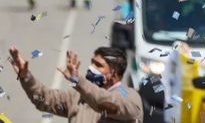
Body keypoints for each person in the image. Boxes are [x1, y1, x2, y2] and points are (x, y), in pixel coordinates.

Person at [8, 46, 143, 122]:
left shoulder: (130, 97)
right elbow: (44, 98)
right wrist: (26, 77)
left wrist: (78, 81)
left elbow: (105, 102)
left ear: (113, 73)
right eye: (92, 62)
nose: (91, 68)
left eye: (98, 65)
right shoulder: (78, 97)